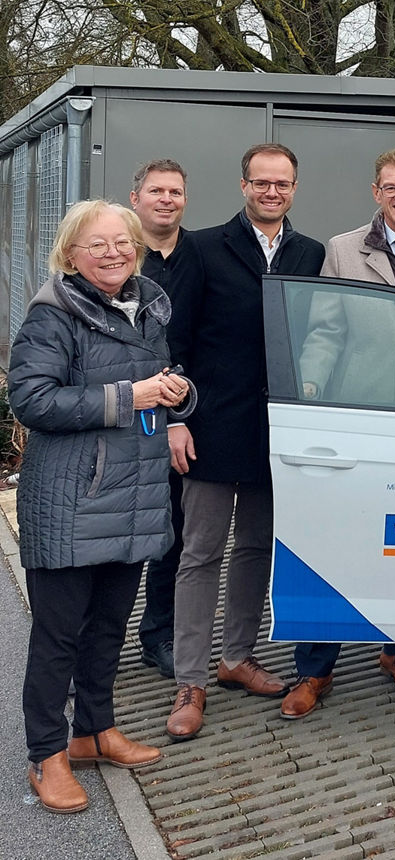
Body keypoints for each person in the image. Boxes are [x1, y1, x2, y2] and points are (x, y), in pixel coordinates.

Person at [10, 200, 194, 813]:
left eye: (122, 242)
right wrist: (131, 394)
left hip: (133, 498)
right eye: (98, 245)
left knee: (109, 629)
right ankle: (47, 754)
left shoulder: (145, 307)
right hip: (72, 502)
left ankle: (93, 732)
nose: (113, 253)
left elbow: (155, 379)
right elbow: (33, 401)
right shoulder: (53, 315)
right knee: (59, 638)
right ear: (71, 255)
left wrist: (176, 391)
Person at [165, 143, 325, 742]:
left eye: (282, 183)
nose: (271, 192)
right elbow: (171, 342)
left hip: (276, 429)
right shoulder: (202, 248)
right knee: (201, 551)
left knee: (257, 547)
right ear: (243, 185)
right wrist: (175, 420)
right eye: (261, 182)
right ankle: (191, 680)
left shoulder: (311, 254)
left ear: (294, 188)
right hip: (208, 424)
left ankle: (235, 658)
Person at [282, 147, 395, 720]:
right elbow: (326, 329)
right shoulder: (343, 249)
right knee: (333, 538)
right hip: (355, 415)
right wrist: (313, 393)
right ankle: (314, 669)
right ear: (376, 192)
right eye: (391, 187)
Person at [130, 158, 198, 679]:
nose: (166, 199)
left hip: (180, 415)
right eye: (156, 191)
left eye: (174, 191)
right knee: (121, 532)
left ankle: (158, 634)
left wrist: (181, 414)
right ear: (137, 199)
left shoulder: (200, 255)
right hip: (124, 418)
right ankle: (94, 641)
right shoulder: (118, 257)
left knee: (171, 531)